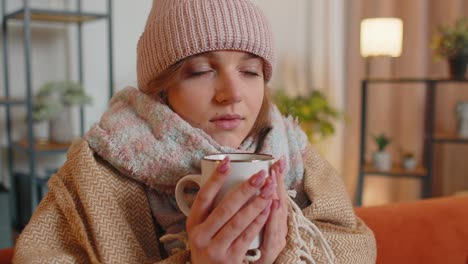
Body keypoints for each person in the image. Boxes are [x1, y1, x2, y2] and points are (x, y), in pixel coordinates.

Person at [13, 0, 376, 263]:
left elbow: (356, 246)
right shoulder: (97, 171)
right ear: (161, 89)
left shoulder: (294, 155)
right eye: (202, 71)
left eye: (250, 72)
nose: (232, 94)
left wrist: (286, 252)